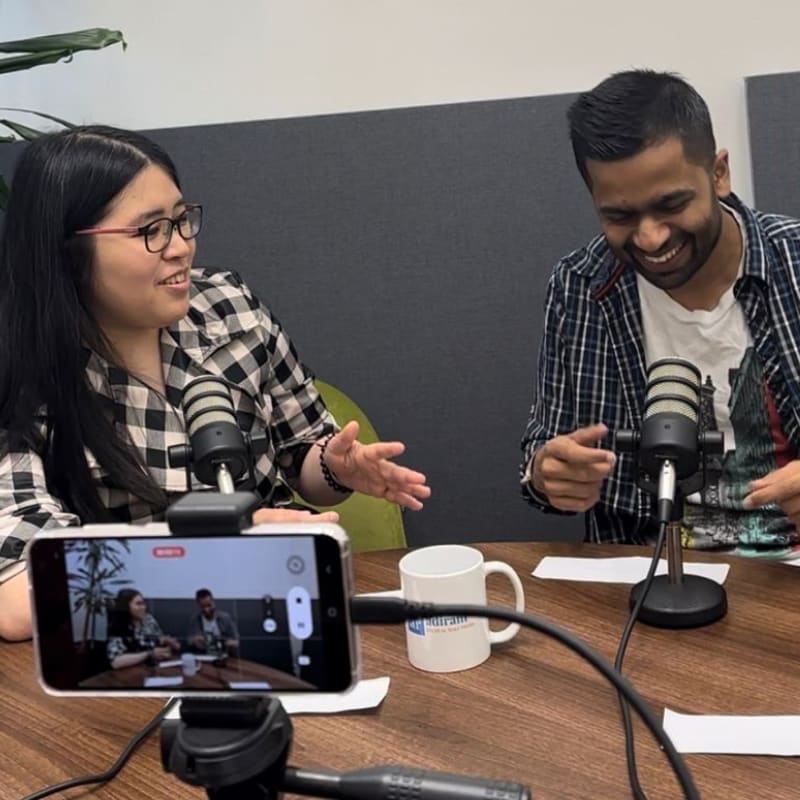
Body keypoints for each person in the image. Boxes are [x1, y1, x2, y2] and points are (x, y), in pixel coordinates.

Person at [0, 125, 431, 641]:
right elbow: (19, 598)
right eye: (150, 230)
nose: (182, 247)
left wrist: (335, 467)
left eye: (182, 220)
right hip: (135, 650)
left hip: (280, 614)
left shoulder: (228, 307)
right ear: (66, 251)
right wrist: (216, 546)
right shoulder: (21, 373)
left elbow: (302, 455)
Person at [520, 69, 800, 557]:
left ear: (718, 173)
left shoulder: (793, 261)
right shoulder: (580, 288)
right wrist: (547, 474)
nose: (650, 238)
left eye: (671, 205)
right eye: (620, 216)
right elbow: (543, 454)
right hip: (647, 576)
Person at [106, 588, 180, 669]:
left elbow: (158, 640)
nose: (143, 607)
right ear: (126, 606)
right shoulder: (118, 625)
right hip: (128, 673)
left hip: (151, 669)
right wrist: (148, 654)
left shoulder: (148, 619)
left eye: (143, 603)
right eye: (138, 604)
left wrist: (168, 644)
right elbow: (115, 662)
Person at [187, 588, 239, 655]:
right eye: (203, 607)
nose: (206, 610)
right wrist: (195, 641)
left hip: (224, 655)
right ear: (198, 605)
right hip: (204, 656)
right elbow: (189, 641)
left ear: (213, 602)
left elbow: (236, 642)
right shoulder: (195, 619)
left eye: (209, 605)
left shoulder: (225, 618)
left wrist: (223, 643)